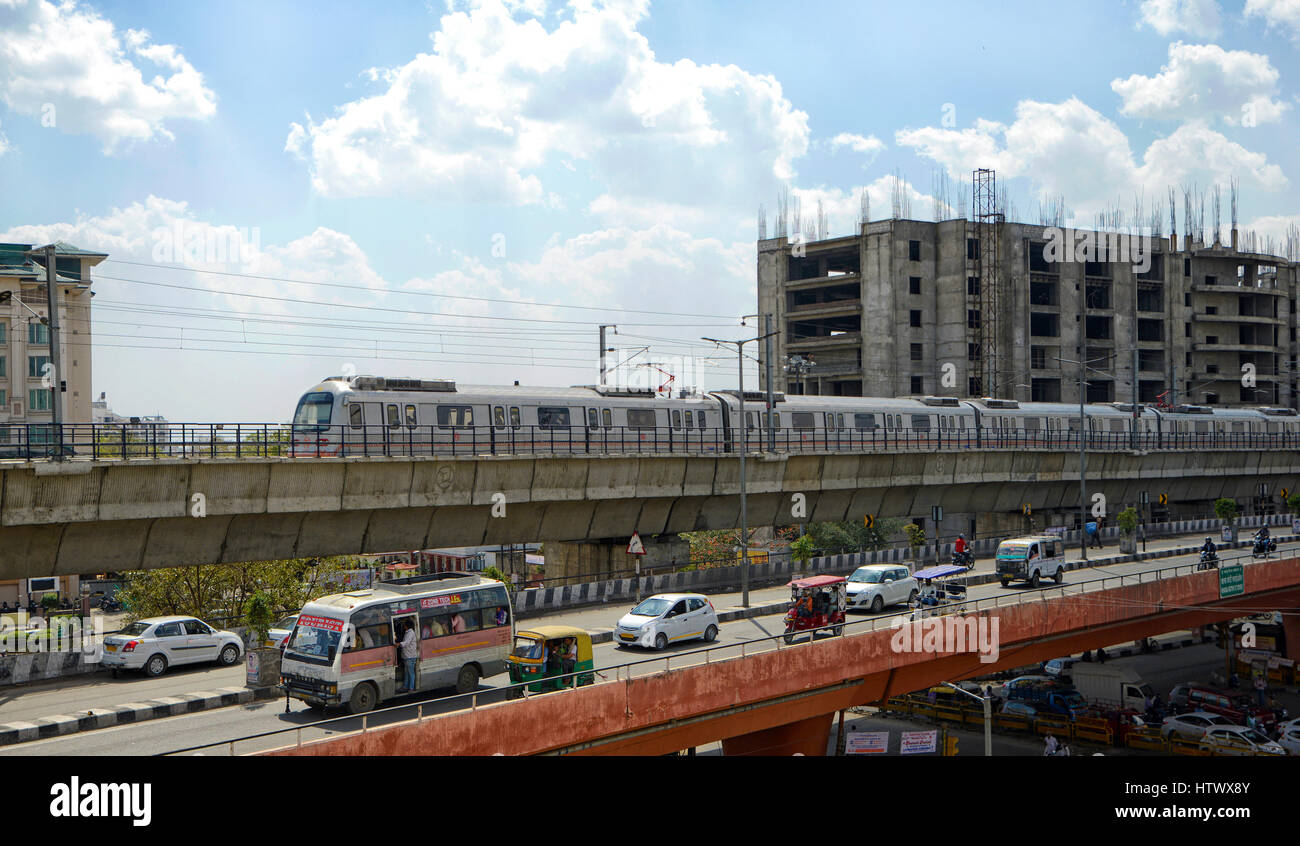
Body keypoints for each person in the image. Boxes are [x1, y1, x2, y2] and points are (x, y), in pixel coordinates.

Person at [398, 622, 418, 693]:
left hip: (410, 656)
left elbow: (406, 642)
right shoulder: (408, 632)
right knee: (407, 672)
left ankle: (411, 688)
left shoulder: (410, 633)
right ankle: (406, 687)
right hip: (407, 656)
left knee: (410, 673)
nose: (403, 626)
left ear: (406, 626)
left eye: (404, 625)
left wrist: (399, 644)